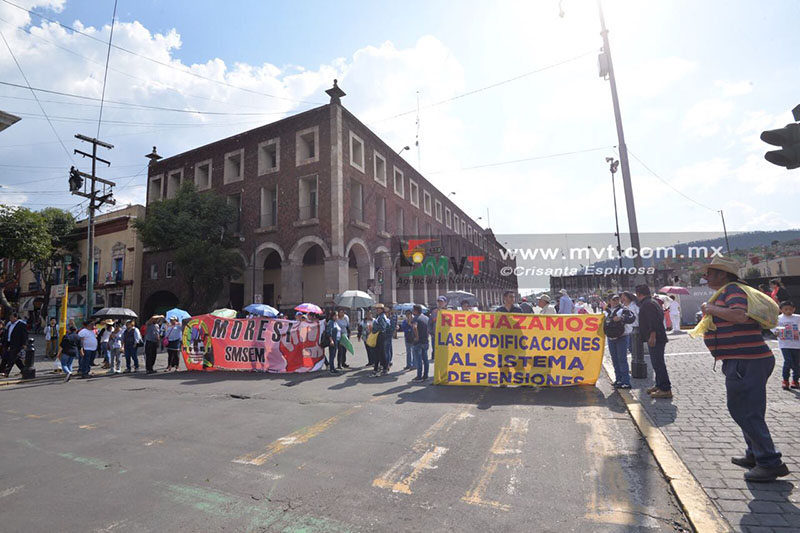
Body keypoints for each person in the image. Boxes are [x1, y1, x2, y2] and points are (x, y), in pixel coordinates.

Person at [699, 256, 789, 482]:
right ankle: (754, 454)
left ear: (722, 274)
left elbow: (739, 315)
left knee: (745, 411)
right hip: (743, 360)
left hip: (745, 361)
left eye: (709, 272)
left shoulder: (732, 291)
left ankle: (769, 462)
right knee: (746, 409)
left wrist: (709, 308)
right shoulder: (731, 290)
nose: (705, 276)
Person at [636, 285, 671, 398]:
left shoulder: (648, 304)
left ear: (639, 294)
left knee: (658, 363)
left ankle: (665, 388)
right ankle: (659, 384)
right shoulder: (652, 302)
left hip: (656, 338)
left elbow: (653, 321)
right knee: (656, 362)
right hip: (658, 337)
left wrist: (652, 335)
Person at [604, 294, 636, 389]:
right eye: (613, 300)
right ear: (609, 301)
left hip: (622, 337)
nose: (616, 301)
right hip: (610, 338)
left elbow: (631, 318)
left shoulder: (624, 310)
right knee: (615, 359)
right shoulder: (606, 312)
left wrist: (621, 318)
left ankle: (626, 381)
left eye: (617, 299)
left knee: (622, 359)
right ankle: (618, 379)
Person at [773, 300, 800, 390]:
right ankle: (785, 380)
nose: (788, 311)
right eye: (786, 309)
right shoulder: (778, 318)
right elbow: (772, 327)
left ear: (794, 309)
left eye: (790, 309)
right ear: (781, 310)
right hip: (784, 344)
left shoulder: (797, 318)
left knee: (796, 362)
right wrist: (776, 332)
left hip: (797, 344)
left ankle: (795, 381)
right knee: (788, 361)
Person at [1, 312, 27, 377]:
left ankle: (6, 372)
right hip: (9, 343)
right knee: (13, 358)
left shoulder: (21, 325)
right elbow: (7, 334)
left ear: (16, 317)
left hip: (17, 344)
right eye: (10, 317)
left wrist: (24, 343)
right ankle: (24, 370)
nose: (10, 319)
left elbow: (24, 334)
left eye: (12, 317)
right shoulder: (9, 325)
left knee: (12, 358)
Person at [370, 303, 390, 377]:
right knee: (379, 353)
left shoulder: (381, 317)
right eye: (376, 309)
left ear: (382, 310)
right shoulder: (380, 316)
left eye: (379, 309)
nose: (377, 310)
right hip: (380, 336)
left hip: (380, 336)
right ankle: (380, 368)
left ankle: (382, 368)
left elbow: (383, 327)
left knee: (380, 353)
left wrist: (374, 329)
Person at [411, 304, 430, 382]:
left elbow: (415, 328)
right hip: (425, 341)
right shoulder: (426, 318)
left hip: (418, 342)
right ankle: (425, 375)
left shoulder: (416, 318)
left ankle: (419, 376)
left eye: (413, 310)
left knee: (418, 360)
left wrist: (416, 337)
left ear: (416, 311)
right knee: (425, 359)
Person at [429, 296, 447, 360]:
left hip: (445, 335)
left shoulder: (449, 312)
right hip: (435, 334)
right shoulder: (434, 312)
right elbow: (430, 323)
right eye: (439, 302)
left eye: (442, 302)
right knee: (435, 348)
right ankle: (435, 357)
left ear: (445, 303)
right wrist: (431, 332)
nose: (440, 303)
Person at [324, 309, 341, 375]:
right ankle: (331, 368)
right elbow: (329, 332)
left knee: (334, 355)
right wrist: (331, 340)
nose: (337, 317)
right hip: (333, 340)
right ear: (333, 316)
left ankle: (333, 367)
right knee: (332, 354)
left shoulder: (335, 322)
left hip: (337, 340)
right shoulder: (331, 322)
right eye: (336, 315)